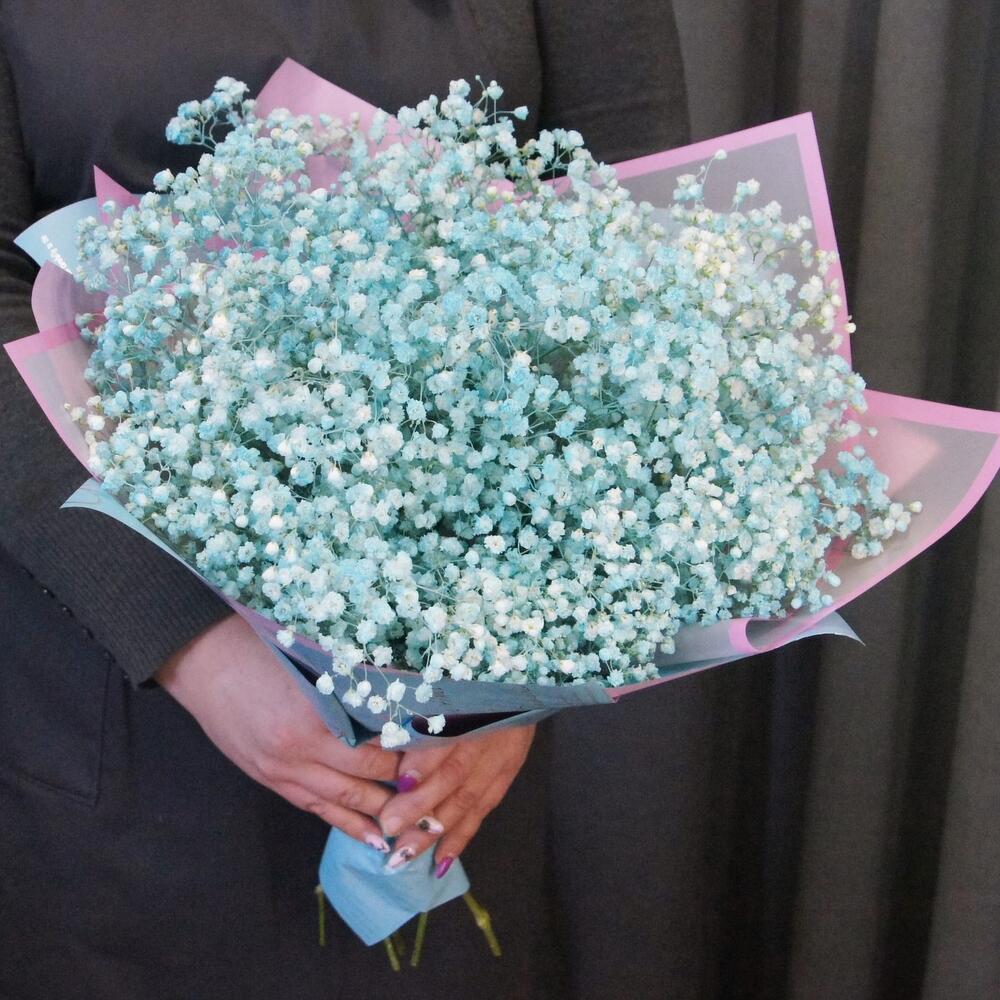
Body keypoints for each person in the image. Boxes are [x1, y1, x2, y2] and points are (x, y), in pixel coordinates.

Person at [0, 3, 688, 998]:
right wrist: (187, 642)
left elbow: (639, 241)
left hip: (461, 683)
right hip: (115, 680)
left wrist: (527, 664)